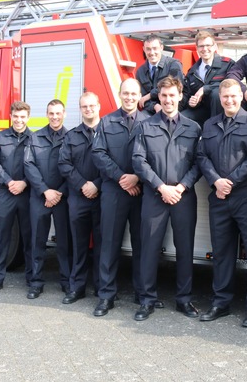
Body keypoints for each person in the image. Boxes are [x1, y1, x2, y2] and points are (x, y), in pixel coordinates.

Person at [196, 79, 247, 326]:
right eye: (225, 96)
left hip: (245, 198)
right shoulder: (209, 124)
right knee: (222, 253)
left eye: (233, 96)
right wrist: (216, 181)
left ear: (240, 96)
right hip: (219, 197)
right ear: (220, 98)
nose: (229, 100)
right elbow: (201, 156)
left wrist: (230, 182)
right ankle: (221, 302)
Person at [132, 76, 202, 321]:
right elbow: (138, 161)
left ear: (180, 96)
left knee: (185, 249)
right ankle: (147, 300)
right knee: (149, 249)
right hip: (154, 195)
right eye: (164, 95)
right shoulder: (145, 126)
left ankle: (184, 299)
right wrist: (161, 187)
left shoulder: (193, 128)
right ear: (158, 97)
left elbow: (198, 163)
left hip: (183, 197)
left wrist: (182, 186)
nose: (168, 99)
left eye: (172, 95)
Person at [91, 78, 149, 317]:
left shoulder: (149, 122)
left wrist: (136, 177)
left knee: (142, 244)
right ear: (119, 94)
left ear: (139, 95)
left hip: (140, 193)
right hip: (114, 191)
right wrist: (121, 178)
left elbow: (152, 157)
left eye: (133, 93)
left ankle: (142, 292)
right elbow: (98, 154)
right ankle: (106, 295)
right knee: (109, 244)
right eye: (125, 93)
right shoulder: (107, 121)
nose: (129, 97)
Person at [58, 92, 102, 304]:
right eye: (84, 106)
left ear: (99, 106)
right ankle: (78, 287)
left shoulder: (109, 132)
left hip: (104, 197)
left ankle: (103, 286)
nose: (88, 109)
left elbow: (116, 162)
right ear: (80, 109)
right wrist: (83, 185)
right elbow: (64, 164)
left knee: (104, 245)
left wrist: (97, 184)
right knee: (79, 244)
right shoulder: (71, 136)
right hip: (78, 197)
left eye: (92, 106)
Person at [0, 101, 34, 295]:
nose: (19, 120)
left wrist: (24, 182)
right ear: (11, 116)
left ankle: (32, 278)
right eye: (16, 116)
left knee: (29, 237)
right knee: (2, 237)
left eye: (23, 117)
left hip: (27, 193)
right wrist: (8, 182)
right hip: (5, 193)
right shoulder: (0, 137)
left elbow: (38, 165)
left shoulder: (35, 138)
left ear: (27, 118)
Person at [24, 99, 71, 299]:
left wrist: (58, 192)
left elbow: (74, 168)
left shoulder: (71, 137)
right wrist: (45, 191)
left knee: (64, 242)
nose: (54, 116)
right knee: (38, 241)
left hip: (62, 197)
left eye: (58, 113)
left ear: (64, 114)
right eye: (51, 113)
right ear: (46, 114)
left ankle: (67, 281)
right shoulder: (35, 138)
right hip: (40, 197)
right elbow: (29, 166)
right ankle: (35, 281)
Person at [182, 30, 234, 126]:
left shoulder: (227, 64)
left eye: (208, 45)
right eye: (201, 46)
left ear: (214, 46)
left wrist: (204, 89)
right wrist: (192, 102)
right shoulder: (192, 72)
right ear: (197, 48)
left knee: (215, 94)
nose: (205, 49)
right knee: (182, 118)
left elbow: (232, 85)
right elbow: (188, 94)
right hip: (203, 110)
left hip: (224, 110)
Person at [136, 35, 185, 113]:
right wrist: (155, 106)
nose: (152, 53)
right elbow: (142, 99)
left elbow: (174, 87)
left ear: (161, 48)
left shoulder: (174, 64)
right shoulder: (140, 72)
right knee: (139, 121)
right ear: (144, 49)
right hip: (152, 109)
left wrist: (150, 95)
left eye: (155, 48)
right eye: (148, 49)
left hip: (173, 107)